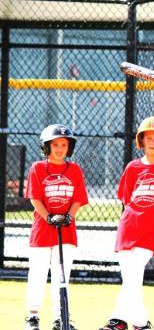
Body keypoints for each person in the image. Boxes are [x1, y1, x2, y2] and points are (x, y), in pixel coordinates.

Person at [99, 116, 154, 330]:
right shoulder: (132, 167)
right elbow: (127, 199)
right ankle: (137, 323)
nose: (153, 142)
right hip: (129, 228)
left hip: (153, 231)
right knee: (131, 278)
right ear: (142, 141)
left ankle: (122, 321)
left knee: (133, 275)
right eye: (149, 138)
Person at [24, 124, 89, 330]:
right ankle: (33, 316)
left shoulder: (75, 170)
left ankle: (60, 317)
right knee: (38, 272)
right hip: (42, 231)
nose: (60, 148)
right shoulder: (38, 168)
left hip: (66, 232)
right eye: (55, 144)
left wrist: (69, 215)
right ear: (46, 147)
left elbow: (78, 198)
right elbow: (35, 198)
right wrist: (49, 217)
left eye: (64, 144)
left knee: (62, 274)